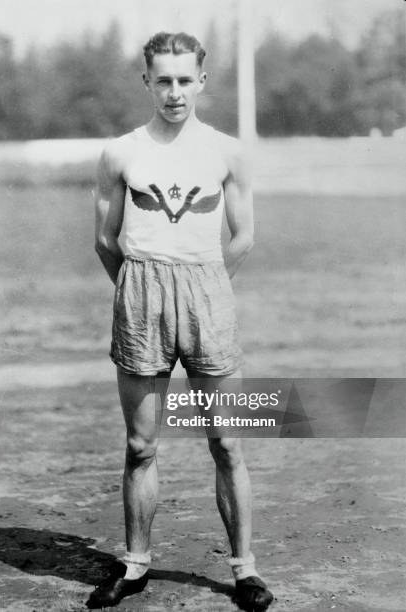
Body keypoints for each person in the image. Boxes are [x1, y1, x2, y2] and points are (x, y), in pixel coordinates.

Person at [89, 31, 274, 611]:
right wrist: (139, 293)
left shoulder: (227, 151)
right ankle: (136, 563)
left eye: (184, 80)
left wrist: (206, 287)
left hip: (207, 293)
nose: (174, 92)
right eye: (162, 80)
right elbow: (104, 239)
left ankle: (244, 571)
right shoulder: (121, 152)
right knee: (141, 446)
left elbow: (243, 236)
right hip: (140, 294)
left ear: (202, 80)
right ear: (147, 81)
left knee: (227, 443)